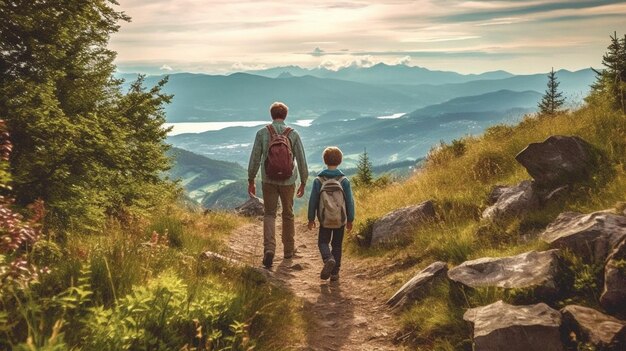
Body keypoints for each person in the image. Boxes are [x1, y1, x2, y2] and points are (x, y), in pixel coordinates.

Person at [248, 102, 308, 268]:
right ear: (285, 115)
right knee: (288, 213)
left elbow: (254, 158)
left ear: (272, 115)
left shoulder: (262, 133)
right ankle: (288, 250)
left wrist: (251, 179)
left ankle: (269, 249)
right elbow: (301, 160)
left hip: (268, 180)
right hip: (289, 181)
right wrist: (303, 181)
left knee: (269, 214)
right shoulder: (293, 134)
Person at [307, 147, 355, 281]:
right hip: (340, 219)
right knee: (337, 245)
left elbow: (313, 201)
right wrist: (350, 219)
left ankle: (328, 258)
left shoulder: (318, 180)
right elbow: (350, 202)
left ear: (324, 160)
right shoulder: (344, 180)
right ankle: (335, 273)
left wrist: (311, 219)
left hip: (325, 219)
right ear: (340, 161)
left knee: (323, 242)